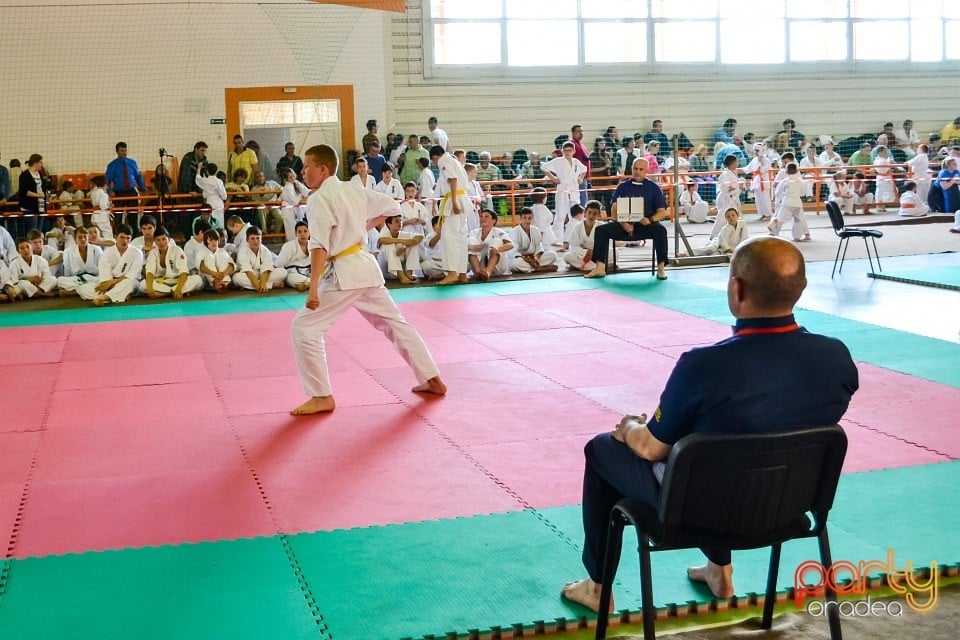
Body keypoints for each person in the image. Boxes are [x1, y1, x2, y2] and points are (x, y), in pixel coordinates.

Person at [560, 236, 859, 613]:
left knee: (602, 449)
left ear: (736, 288)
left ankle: (597, 585)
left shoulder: (703, 366)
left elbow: (652, 448)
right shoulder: (836, 358)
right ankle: (719, 570)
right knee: (730, 447)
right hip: (791, 506)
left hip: (699, 509)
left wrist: (629, 428)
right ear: (800, 288)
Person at [289, 144, 446, 415]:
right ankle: (431, 378)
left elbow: (319, 246)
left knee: (304, 329)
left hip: (345, 272)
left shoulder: (318, 199)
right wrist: (359, 229)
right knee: (395, 324)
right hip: (365, 266)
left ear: (323, 169)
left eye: (307, 166)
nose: (303, 172)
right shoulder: (353, 189)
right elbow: (390, 205)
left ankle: (321, 395)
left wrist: (313, 287)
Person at [585, 158, 670, 281]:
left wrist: (650, 220)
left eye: (641, 169)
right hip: (623, 225)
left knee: (661, 230)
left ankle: (661, 268)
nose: (637, 172)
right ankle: (600, 268)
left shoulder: (654, 188)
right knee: (601, 230)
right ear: (631, 169)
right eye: (635, 168)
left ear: (646, 171)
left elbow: (662, 211)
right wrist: (623, 223)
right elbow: (614, 208)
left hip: (644, 225)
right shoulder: (623, 186)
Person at [430, 145, 471, 286]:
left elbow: (452, 179)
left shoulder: (444, 161)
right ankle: (462, 273)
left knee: (449, 237)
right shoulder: (454, 161)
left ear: (435, 157)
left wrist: (453, 201)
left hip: (455, 200)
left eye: (434, 161)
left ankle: (452, 273)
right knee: (460, 237)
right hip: (462, 199)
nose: (435, 164)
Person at [76, 224, 143, 306]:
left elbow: (132, 276)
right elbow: (105, 281)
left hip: (127, 282)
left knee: (130, 283)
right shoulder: (107, 253)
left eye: (128, 238)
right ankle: (119, 295)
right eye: (122, 237)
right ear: (115, 237)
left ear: (131, 239)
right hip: (110, 284)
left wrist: (111, 282)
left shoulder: (137, 253)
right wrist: (109, 284)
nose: (125, 241)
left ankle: (104, 298)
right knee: (83, 289)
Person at [543, 141, 588, 244]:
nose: (567, 153)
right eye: (565, 150)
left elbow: (584, 169)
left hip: (574, 189)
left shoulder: (576, 161)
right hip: (562, 188)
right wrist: (553, 178)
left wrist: (581, 178)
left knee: (576, 214)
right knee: (560, 215)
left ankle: (574, 238)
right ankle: (557, 239)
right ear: (562, 151)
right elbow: (544, 167)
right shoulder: (558, 161)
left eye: (570, 150)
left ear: (574, 151)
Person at [140, 226, 203, 299]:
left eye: (164, 239)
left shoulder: (177, 250)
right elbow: (149, 273)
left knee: (198, 279)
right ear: (154, 241)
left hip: (177, 281)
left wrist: (179, 289)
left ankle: (163, 294)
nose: (161, 243)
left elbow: (184, 272)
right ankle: (174, 292)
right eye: (158, 240)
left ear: (169, 239)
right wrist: (150, 290)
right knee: (143, 285)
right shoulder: (153, 253)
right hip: (161, 283)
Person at [232, 226, 286, 291]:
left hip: (262, 274)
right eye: (252, 238)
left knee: (283, 272)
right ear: (247, 240)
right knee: (236, 278)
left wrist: (263, 282)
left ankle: (248, 286)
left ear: (261, 239)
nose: (256, 241)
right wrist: (259, 286)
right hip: (248, 274)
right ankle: (270, 285)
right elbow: (248, 271)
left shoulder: (265, 250)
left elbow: (266, 268)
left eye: (258, 238)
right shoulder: (242, 251)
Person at [105, 143, 145, 225]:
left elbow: (138, 176)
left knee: (133, 216)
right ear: (117, 152)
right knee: (118, 217)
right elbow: (107, 181)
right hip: (119, 193)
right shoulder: (112, 165)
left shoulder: (132, 163)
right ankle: (118, 235)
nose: (124, 153)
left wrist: (142, 187)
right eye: (122, 151)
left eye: (125, 150)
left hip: (132, 192)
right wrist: (110, 191)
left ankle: (134, 235)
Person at [768, 163, 810, 241]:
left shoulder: (784, 181)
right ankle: (797, 236)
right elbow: (803, 193)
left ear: (786, 171)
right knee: (798, 220)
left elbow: (778, 192)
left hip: (786, 202)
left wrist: (780, 199)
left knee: (780, 219)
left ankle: (773, 232)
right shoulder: (801, 181)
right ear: (797, 170)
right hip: (797, 203)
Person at [509, 207, 557, 274]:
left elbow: (538, 246)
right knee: (514, 263)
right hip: (521, 258)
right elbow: (513, 252)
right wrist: (529, 261)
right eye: (524, 218)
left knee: (553, 255)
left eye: (529, 218)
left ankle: (530, 268)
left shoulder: (536, 230)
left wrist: (536, 258)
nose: (527, 221)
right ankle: (539, 269)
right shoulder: (514, 232)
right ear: (520, 218)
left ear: (532, 218)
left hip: (533, 257)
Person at [684, 208, 749, 256]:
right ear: (726, 218)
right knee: (711, 248)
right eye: (728, 216)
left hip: (733, 246)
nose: (731, 218)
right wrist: (729, 250)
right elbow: (724, 244)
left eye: (733, 215)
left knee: (714, 255)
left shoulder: (742, 224)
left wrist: (742, 249)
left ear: (737, 216)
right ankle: (687, 253)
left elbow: (745, 238)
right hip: (718, 241)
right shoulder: (725, 228)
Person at [57, 226, 103, 294]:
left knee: (102, 281)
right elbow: (67, 269)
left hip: (93, 278)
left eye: (85, 237)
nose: (83, 239)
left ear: (88, 238)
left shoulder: (96, 249)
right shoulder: (68, 251)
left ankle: (73, 292)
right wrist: (69, 280)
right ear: (75, 239)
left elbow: (102, 267)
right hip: (77, 279)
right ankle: (82, 290)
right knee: (60, 280)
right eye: (80, 237)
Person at [378, 214, 421, 284]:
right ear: (389, 224)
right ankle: (401, 276)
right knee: (389, 245)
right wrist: (403, 241)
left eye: (400, 220)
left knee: (413, 244)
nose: (400, 223)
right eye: (397, 221)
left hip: (402, 269)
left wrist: (405, 247)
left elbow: (420, 237)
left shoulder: (403, 234)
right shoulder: (384, 233)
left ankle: (409, 272)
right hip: (388, 270)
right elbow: (381, 240)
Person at [564, 200, 601, 272]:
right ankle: (597, 266)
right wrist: (586, 252)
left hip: (597, 255)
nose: (591, 216)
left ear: (599, 214)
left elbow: (606, 246)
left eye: (594, 213)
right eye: (589, 212)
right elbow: (574, 246)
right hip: (583, 255)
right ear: (585, 213)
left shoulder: (601, 227)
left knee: (615, 253)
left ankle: (584, 266)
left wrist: (593, 252)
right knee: (567, 256)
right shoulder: (577, 227)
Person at [276, 221, 312, 291]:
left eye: (305, 231)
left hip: (309, 271)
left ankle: (306, 284)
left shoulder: (313, 245)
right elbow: (279, 263)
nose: (302, 234)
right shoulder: (289, 246)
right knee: (291, 278)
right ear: (296, 234)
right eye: (299, 232)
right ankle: (311, 283)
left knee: (322, 274)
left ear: (309, 233)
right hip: (293, 272)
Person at [18, 154, 46, 232]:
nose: (42, 164)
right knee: (33, 231)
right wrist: (38, 195)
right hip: (29, 207)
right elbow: (24, 191)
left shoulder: (40, 174)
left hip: (40, 206)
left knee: (39, 231)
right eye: (40, 162)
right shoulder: (25, 175)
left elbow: (42, 187)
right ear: (35, 163)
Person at [196, 162, 228, 228]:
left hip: (210, 203)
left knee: (211, 223)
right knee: (220, 223)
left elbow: (197, 179)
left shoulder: (205, 181)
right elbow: (224, 197)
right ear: (216, 172)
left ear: (207, 171)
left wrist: (199, 168)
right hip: (219, 204)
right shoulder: (219, 182)